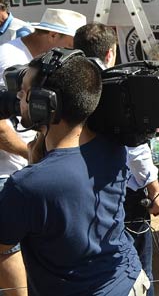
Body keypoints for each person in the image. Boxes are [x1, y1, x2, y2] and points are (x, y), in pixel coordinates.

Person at [0, 50, 147, 295]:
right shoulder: (114, 145)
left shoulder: (27, 185)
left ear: (44, 104)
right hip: (131, 281)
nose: (17, 97)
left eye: (25, 93)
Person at [73, 22, 159, 296]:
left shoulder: (72, 84)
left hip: (86, 192)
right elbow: (135, 147)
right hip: (123, 192)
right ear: (110, 53)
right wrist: (155, 189)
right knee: (138, 268)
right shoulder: (115, 85)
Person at [0, 8, 85, 293]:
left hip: (32, 168)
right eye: (70, 45)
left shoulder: (37, 61)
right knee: (7, 248)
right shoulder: (7, 59)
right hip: (7, 172)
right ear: (53, 35)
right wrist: (30, 154)